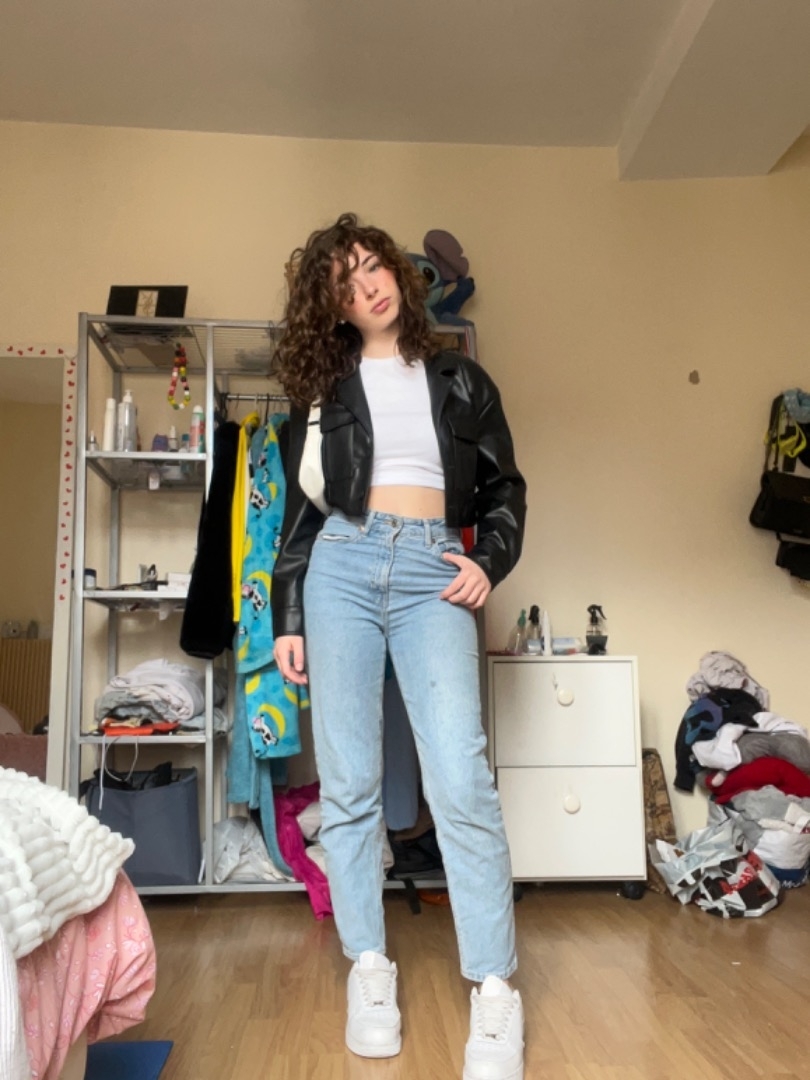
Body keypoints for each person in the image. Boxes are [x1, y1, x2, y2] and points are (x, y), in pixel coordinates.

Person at [271, 213, 527, 1080]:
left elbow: (504, 487)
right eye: (345, 282)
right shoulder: (325, 391)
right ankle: (370, 969)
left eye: (371, 265)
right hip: (341, 566)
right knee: (349, 786)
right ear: (335, 307)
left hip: (432, 570)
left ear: (397, 271)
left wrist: (488, 561)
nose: (367, 285)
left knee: (460, 776)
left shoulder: (461, 378)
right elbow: (301, 515)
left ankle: (494, 986)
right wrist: (288, 616)